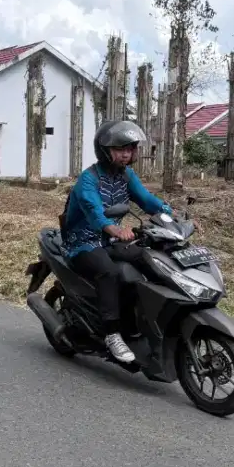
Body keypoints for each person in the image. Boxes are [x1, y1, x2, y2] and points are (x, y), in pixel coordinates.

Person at [62, 119, 171, 367]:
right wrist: (115, 229)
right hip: (83, 242)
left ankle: (147, 318)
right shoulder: (88, 179)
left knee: (148, 258)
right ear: (104, 150)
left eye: (130, 149)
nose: (126, 154)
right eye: (120, 149)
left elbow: (147, 200)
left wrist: (173, 216)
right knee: (109, 272)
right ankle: (112, 334)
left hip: (110, 240)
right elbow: (94, 210)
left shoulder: (127, 175)